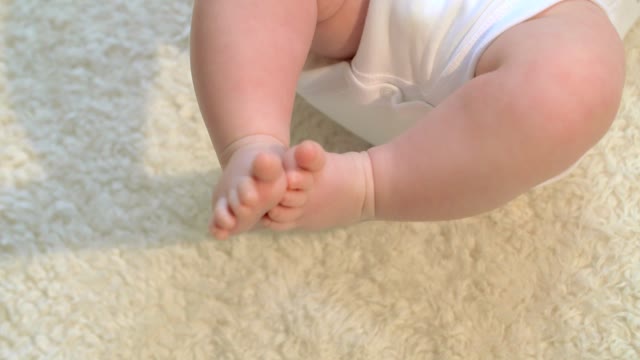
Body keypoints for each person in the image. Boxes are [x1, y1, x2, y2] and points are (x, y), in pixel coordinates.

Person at [189, 0, 640, 240]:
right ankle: (251, 142)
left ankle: (367, 185)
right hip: (362, 14)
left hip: (535, 22)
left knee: (572, 83)